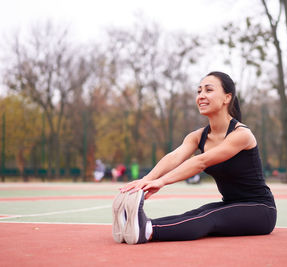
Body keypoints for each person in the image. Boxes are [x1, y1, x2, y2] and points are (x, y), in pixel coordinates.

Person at [112, 71, 276, 245]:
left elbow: (200, 161)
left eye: (208, 90)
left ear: (227, 98)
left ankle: (147, 231)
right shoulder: (198, 136)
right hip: (231, 204)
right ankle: (137, 226)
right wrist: (145, 180)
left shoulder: (241, 135)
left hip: (260, 210)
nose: (201, 96)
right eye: (199, 91)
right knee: (194, 214)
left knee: (208, 217)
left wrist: (161, 182)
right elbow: (175, 156)